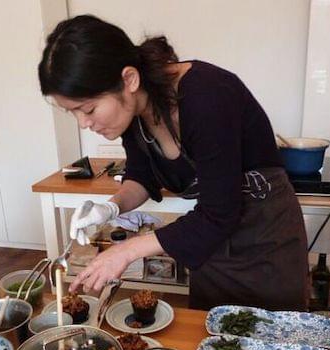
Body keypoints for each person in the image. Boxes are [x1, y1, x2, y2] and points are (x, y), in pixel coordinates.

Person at [38, 15, 309, 311]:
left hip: (265, 241)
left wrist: (126, 251)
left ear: (129, 79)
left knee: (273, 340)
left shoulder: (208, 96)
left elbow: (219, 213)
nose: (83, 123)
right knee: (215, 340)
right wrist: (111, 207)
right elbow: (141, 177)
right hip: (212, 247)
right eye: (73, 113)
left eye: (88, 108)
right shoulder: (133, 116)